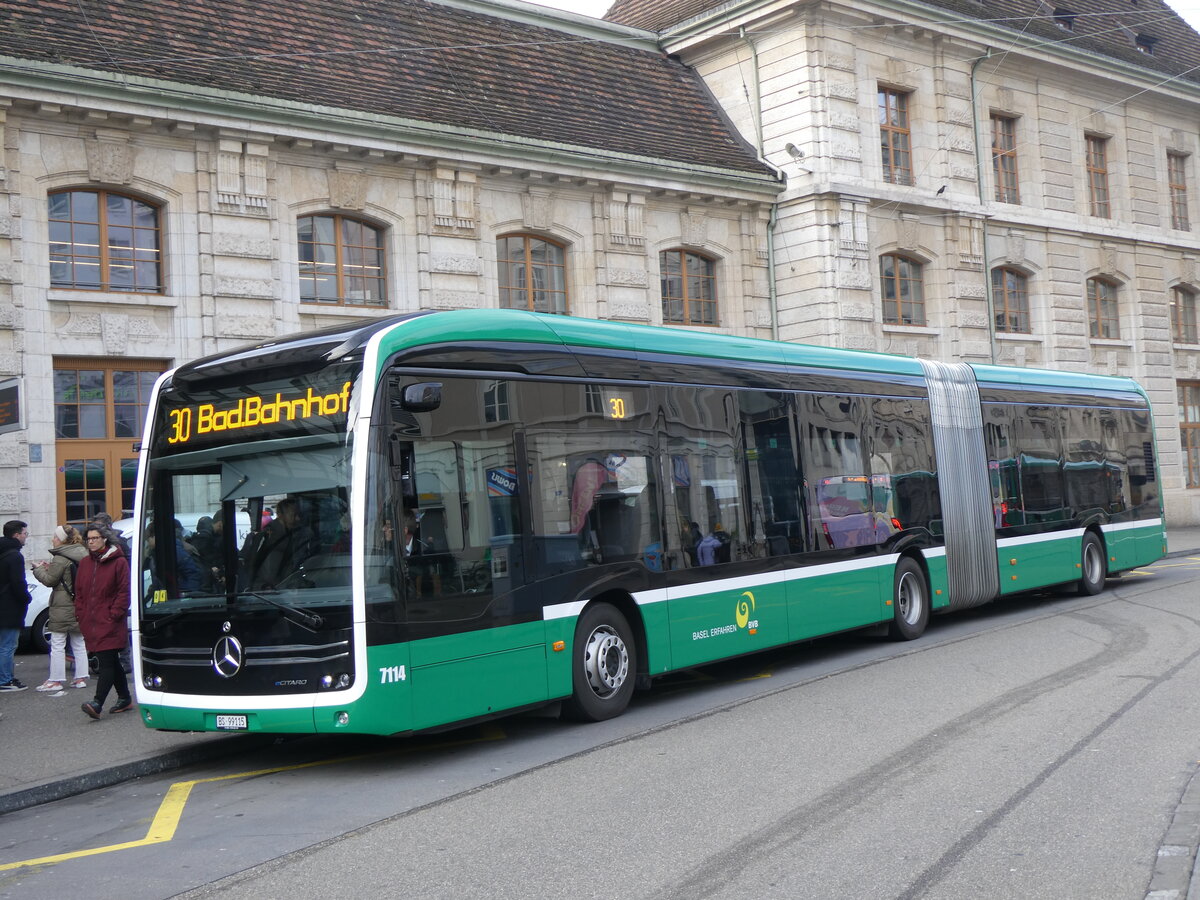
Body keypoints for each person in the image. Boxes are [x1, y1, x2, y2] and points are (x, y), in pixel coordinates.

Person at [75, 525, 133, 718]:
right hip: (91, 621)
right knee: (112, 661)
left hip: (110, 621)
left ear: (104, 539)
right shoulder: (85, 563)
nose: (91, 541)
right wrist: (81, 614)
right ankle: (124, 698)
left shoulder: (119, 562)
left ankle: (97, 702)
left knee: (106, 661)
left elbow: (124, 592)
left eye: (95, 538)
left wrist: (114, 614)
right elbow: (80, 594)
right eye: (88, 538)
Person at [31, 524, 89, 691]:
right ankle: (81, 678)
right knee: (79, 642)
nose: (53, 539)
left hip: (62, 604)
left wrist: (39, 569)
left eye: (56, 537)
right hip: (78, 603)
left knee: (57, 642)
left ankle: (55, 680)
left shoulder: (60, 557)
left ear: (62, 540)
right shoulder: (82, 554)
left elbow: (50, 580)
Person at [248, 498, 314, 589]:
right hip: (268, 590)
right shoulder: (266, 537)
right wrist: (260, 586)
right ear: (280, 514)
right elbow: (252, 566)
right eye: (293, 515)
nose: (297, 518)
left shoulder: (300, 535)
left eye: (298, 515)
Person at [0, 520, 31, 691]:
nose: (26, 537)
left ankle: (5, 678)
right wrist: (26, 598)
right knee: (8, 645)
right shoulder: (15, 556)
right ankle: (5, 680)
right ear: (17, 535)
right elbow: (18, 583)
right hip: (9, 606)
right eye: (25, 533)